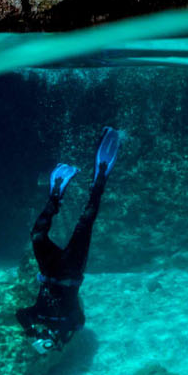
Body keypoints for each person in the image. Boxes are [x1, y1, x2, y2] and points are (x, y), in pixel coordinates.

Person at [16, 127, 121, 352]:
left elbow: (21, 315)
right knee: (85, 223)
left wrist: (34, 335)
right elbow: (80, 321)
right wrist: (60, 338)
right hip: (72, 270)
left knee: (36, 236)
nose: (49, 335)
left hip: (49, 270)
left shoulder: (39, 315)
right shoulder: (70, 322)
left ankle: (55, 197)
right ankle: (99, 182)